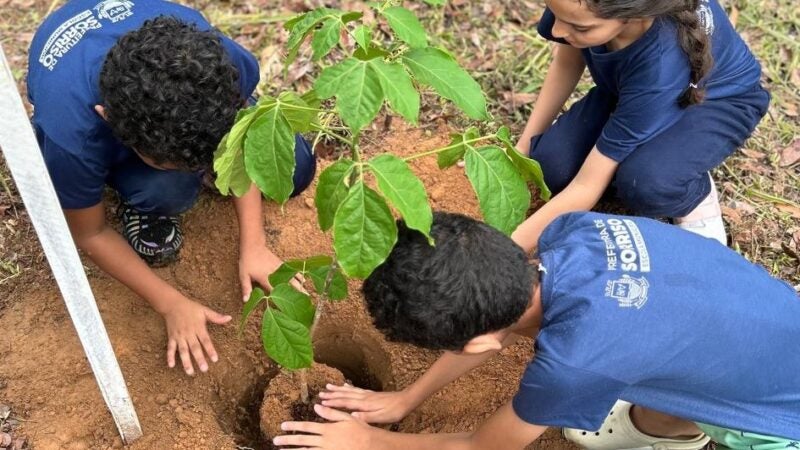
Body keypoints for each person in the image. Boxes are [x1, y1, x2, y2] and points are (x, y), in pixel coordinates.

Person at [275, 212, 800, 450]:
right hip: (766, 324)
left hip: (781, 417)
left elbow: (485, 446)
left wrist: (368, 443)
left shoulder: (574, 363)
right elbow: (493, 327)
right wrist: (403, 401)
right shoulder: (574, 231)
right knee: (674, 358)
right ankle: (676, 431)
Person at [26, 0, 316, 376]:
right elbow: (91, 232)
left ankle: (183, 158)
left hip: (173, 96)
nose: (202, 169)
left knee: (298, 166)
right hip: (87, 103)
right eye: (183, 162)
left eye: (204, 161)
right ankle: (145, 196)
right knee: (169, 191)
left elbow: (242, 137)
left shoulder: (214, 61)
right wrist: (170, 303)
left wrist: (255, 245)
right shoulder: (71, 138)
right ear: (109, 120)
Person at [512, 0, 770, 250]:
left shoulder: (661, 62)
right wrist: (522, 150)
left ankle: (695, 198)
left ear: (634, 17)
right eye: (555, 14)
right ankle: (644, 149)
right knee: (550, 167)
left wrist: (511, 246)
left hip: (717, 101)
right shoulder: (577, 8)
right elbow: (566, 62)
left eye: (580, 28)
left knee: (645, 183)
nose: (557, 31)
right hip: (628, 90)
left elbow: (586, 184)